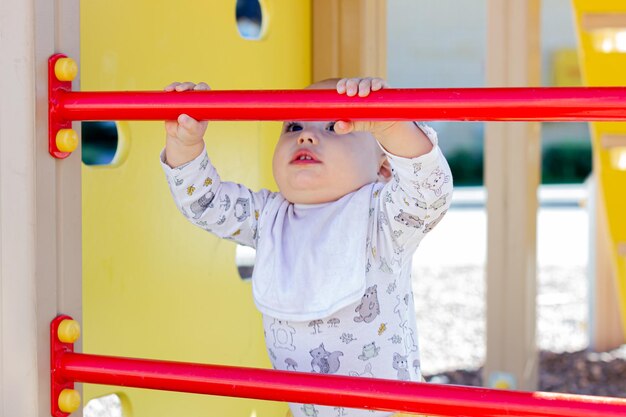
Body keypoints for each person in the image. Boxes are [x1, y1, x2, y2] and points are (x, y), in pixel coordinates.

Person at [160, 78, 453, 417]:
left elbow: (428, 193)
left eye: (334, 126)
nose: (306, 136)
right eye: (294, 125)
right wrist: (185, 141)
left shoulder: (381, 218)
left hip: (388, 412)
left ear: (383, 166)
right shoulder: (267, 217)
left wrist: (390, 124)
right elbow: (205, 202)